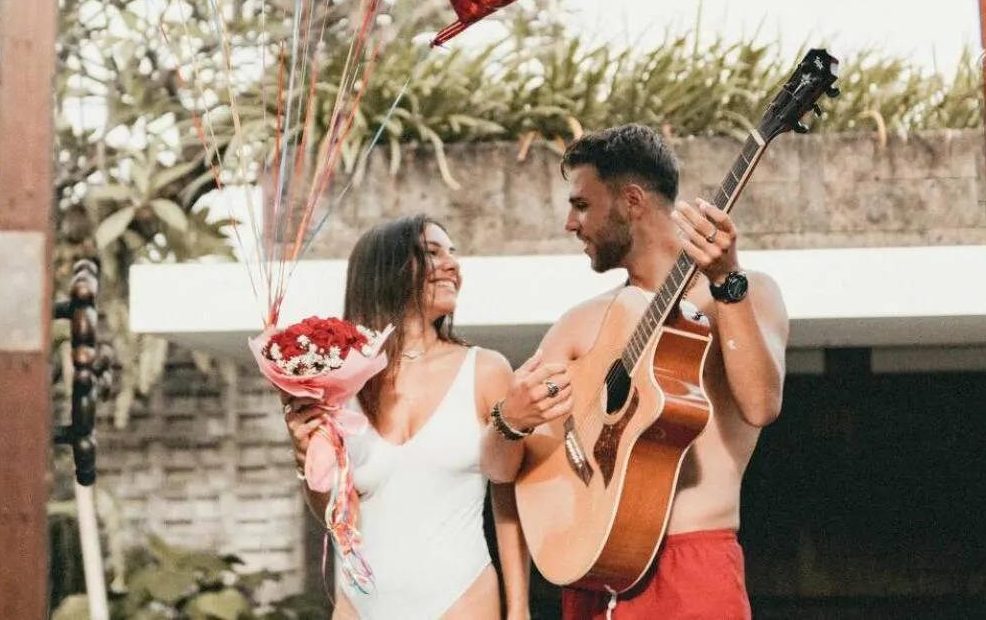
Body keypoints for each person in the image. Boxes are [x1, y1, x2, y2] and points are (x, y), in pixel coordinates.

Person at [527, 123, 789, 619]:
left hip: (692, 566)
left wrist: (725, 284)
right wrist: (510, 419)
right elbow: (521, 454)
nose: (569, 223)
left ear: (631, 201)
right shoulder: (580, 323)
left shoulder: (745, 291)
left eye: (581, 205)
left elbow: (760, 403)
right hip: (591, 571)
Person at [281, 215, 573, 619]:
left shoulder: (485, 370)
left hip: (460, 598)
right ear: (387, 269)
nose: (453, 264)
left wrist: (519, 606)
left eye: (453, 253)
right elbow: (339, 514)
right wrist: (306, 463)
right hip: (358, 604)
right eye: (433, 253)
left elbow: (508, 496)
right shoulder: (341, 383)